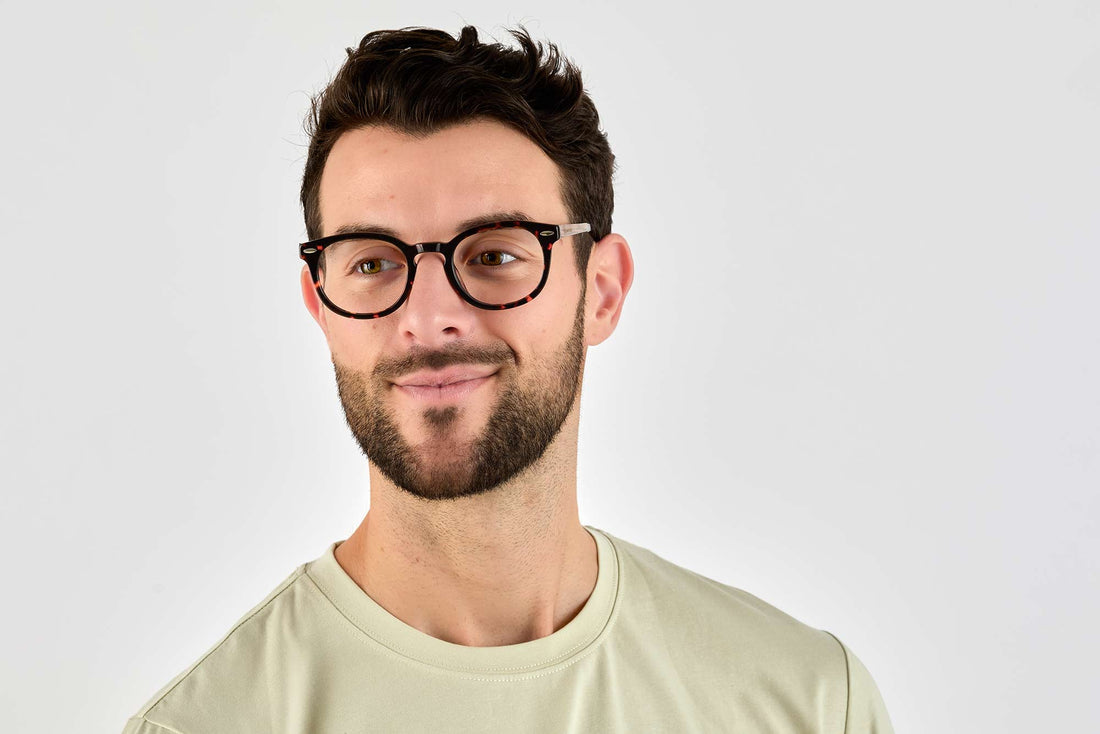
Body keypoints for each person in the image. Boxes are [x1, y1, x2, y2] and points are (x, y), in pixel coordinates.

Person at [123, 25, 894, 733]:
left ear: (601, 290)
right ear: (321, 305)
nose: (428, 318)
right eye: (372, 262)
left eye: (494, 255)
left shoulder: (806, 702)